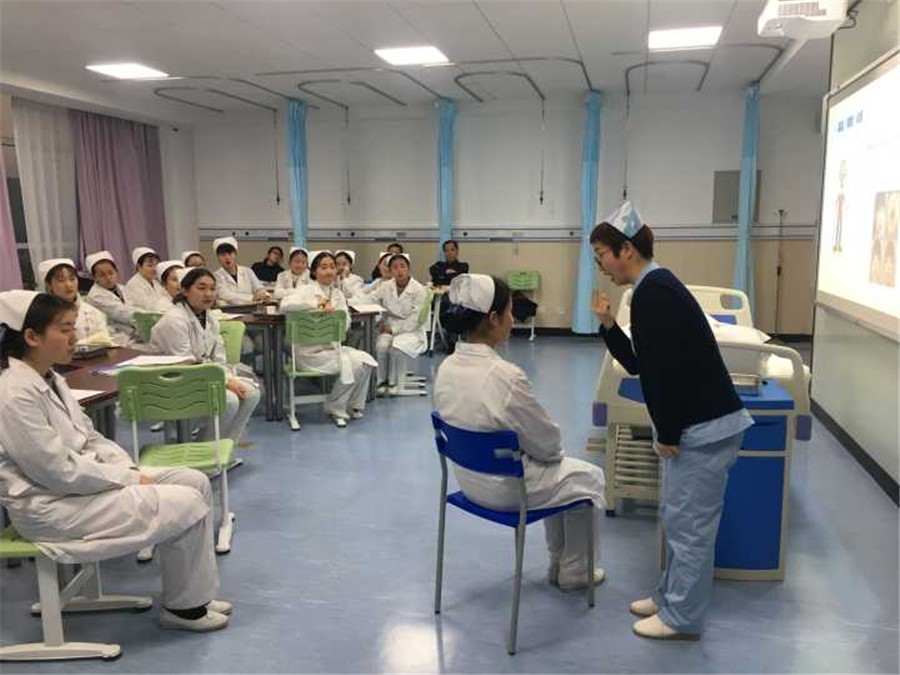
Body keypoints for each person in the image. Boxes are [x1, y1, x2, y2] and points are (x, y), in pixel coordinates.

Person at [0, 290, 229, 632]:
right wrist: (127, 479)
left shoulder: (51, 378)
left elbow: (90, 436)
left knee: (193, 481)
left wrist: (126, 469)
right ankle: (186, 610)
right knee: (186, 501)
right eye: (65, 329)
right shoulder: (14, 394)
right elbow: (56, 471)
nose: (75, 337)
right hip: (50, 506)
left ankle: (192, 596)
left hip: (81, 487)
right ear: (32, 337)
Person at [591, 201, 753, 641]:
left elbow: (668, 374)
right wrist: (609, 325)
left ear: (626, 250)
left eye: (602, 254)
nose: (600, 265)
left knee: (691, 528)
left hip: (703, 427)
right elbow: (642, 364)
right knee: (678, 519)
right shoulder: (651, 288)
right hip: (697, 424)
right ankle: (669, 597)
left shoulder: (655, 291)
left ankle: (682, 617)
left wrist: (667, 431)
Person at [434, 274, 606, 590]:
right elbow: (548, 444)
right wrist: (552, 455)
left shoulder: (446, 368)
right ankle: (575, 570)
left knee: (562, 474)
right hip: (508, 491)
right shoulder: (505, 376)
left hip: (468, 481)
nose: (513, 319)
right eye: (511, 312)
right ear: (494, 318)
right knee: (588, 478)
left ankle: (559, 563)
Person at [150, 268, 261, 444]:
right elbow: (185, 364)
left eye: (212, 288)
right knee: (229, 401)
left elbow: (219, 358)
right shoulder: (174, 320)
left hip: (202, 377)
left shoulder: (209, 318)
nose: (208, 294)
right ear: (185, 290)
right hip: (174, 384)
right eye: (201, 288)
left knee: (251, 394)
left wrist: (228, 379)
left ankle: (225, 450)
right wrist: (225, 382)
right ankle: (207, 450)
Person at [279, 251, 376, 427]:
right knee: (355, 365)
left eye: (332, 267)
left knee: (366, 361)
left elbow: (345, 323)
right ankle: (336, 406)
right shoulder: (305, 290)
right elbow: (284, 305)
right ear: (314, 271)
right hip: (308, 354)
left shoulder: (338, 295)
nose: (329, 271)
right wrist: (317, 304)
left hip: (332, 349)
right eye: (323, 267)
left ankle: (349, 404)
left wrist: (332, 320)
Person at [371, 253, 427, 395]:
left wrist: (393, 329)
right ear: (390, 271)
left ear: (409, 268)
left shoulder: (418, 289)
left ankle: (394, 383)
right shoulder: (386, 286)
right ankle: (381, 381)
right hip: (389, 327)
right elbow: (371, 298)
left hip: (412, 331)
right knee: (381, 346)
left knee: (395, 347)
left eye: (402, 266)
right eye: (395, 267)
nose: (399, 270)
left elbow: (415, 320)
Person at [38, 258, 113, 348]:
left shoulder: (94, 313)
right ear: (48, 285)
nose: (69, 285)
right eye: (61, 280)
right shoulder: (41, 316)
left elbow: (106, 343)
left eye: (72, 279)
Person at [84, 250, 139, 346]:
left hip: (133, 335)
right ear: (94, 278)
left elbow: (134, 307)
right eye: (102, 275)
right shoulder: (96, 296)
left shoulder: (122, 288)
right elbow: (123, 313)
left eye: (111, 273)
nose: (108, 278)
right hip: (115, 339)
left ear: (116, 272)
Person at [212, 237, 271, 306]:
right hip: (228, 310)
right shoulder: (216, 276)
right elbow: (225, 295)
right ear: (218, 257)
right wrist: (252, 298)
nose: (227, 258)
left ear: (235, 254)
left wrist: (265, 295)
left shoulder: (247, 271)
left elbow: (259, 288)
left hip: (251, 308)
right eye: (223, 255)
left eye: (230, 253)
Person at [124, 247, 171, 313]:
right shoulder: (134, 285)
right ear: (139, 266)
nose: (154, 269)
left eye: (156, 265)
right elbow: (149, 306)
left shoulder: (155, 282)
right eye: (150, 265)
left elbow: (167, 297)